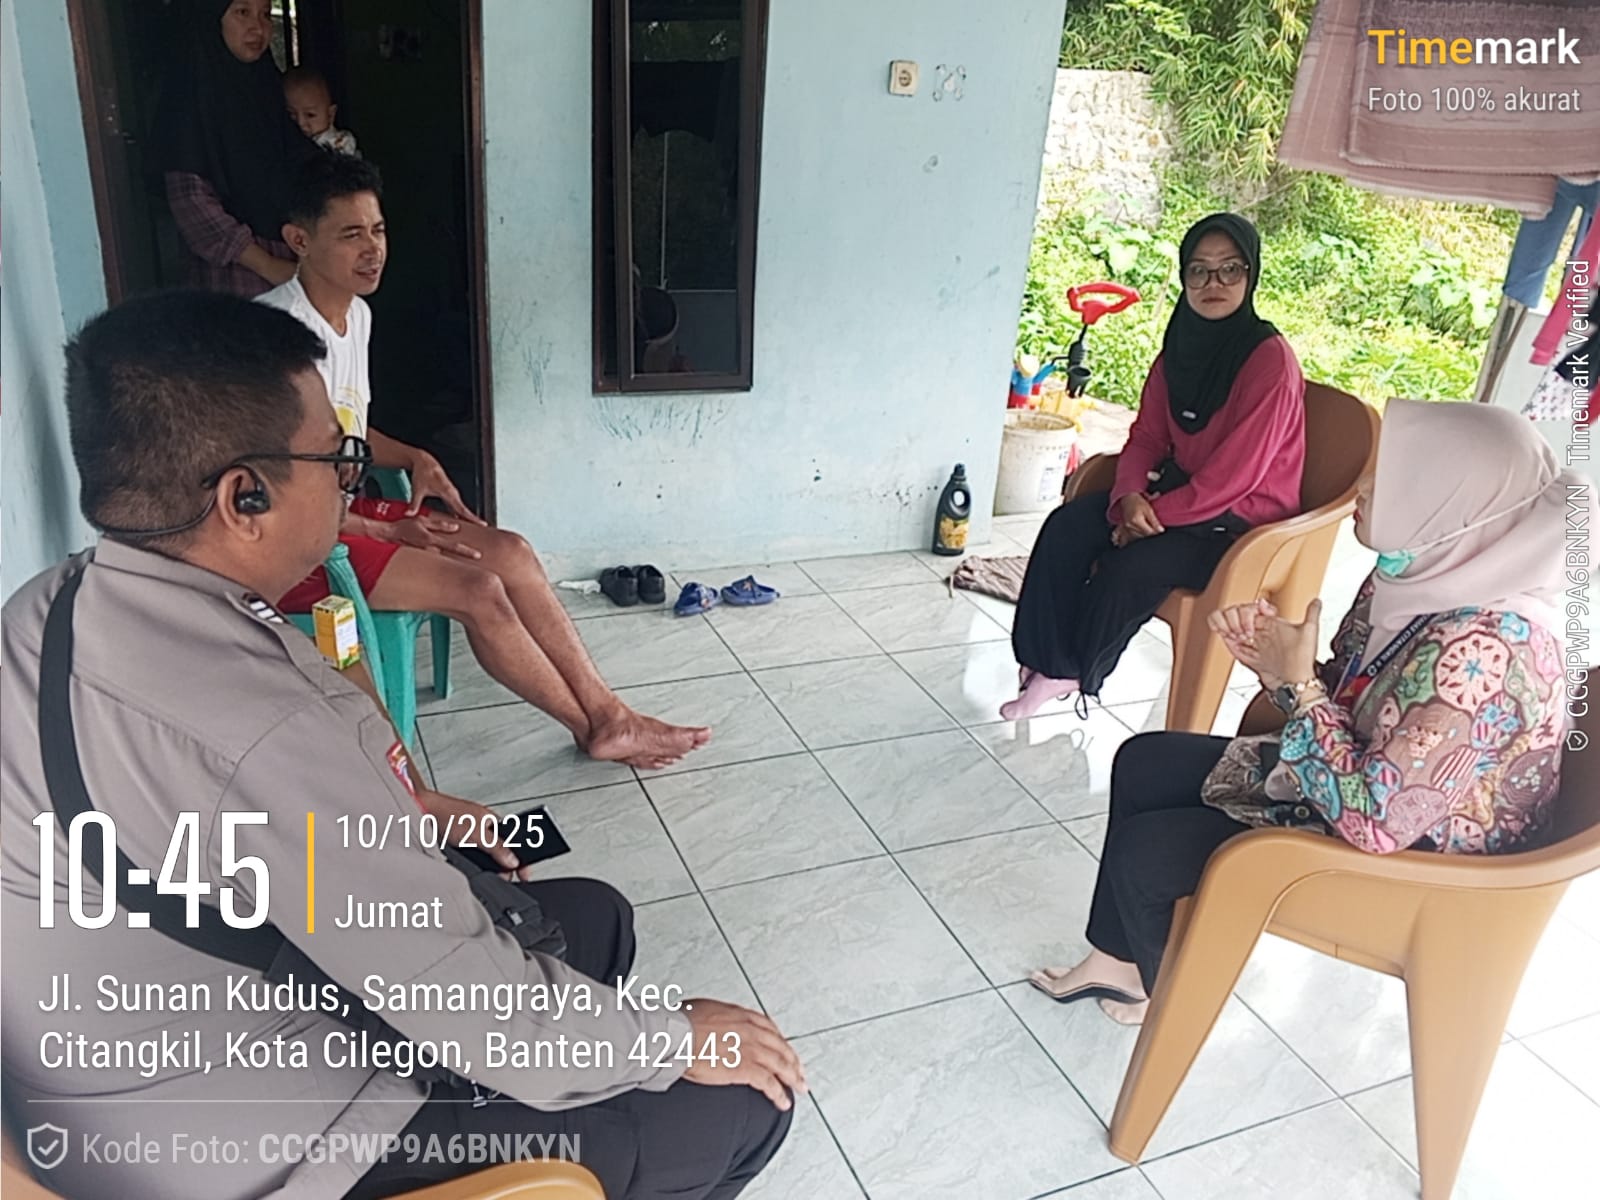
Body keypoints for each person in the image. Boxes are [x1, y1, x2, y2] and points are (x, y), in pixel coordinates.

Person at [0, 291, 798, 1200]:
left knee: (595, 918)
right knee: (744, 1103)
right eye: (338, 459)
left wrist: (397, 815)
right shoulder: (273, 722)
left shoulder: (44, 611)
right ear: (245, 497)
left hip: (111, 1080)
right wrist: (677, 1040)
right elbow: (477, 1013)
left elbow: (202, 820)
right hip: (266, 1141)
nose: (351, 484)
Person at [1028, 398, 1594, 1025]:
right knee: (1145, 760)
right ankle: (1122, 964)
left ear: (1454, 504)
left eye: (1397, 475)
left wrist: (1297, 686)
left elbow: (1377, 822)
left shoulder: (1488, 651)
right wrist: (1279, 667)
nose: (1365, 486)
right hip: (1360, 786)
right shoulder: (1415, 579)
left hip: (1422, 863)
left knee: (1149, 853)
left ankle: (1174, 1004)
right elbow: (1348, 698)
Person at [259, 151, 710, 770]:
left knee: (512, 553)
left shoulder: (354, 315)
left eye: (379, 230)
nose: (373, 250)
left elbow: (346, 430)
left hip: (346, 514)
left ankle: (609, 715)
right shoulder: (276, 339)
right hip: (301, 546)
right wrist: (384, 529)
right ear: (299, 240)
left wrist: (415, 457)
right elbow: (278, 490)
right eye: (350, 234)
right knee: (479, 591)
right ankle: (599, 727)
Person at [1002, 213, 1306, 720]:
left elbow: (1236, 479)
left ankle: (1076, 672)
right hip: (1180, 499)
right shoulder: (1177, 353)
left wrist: (1148, 518)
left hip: (1241, 523)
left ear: (1250, 275)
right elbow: (1147, 436)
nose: (1213, 283)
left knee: (1131, 566)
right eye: (1199, 270)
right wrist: (1127, 497)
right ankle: (1043, 661)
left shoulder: (1269, 361)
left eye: (1230, 269)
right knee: (1067, 526)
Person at [161, 0, 315, 295]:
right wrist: (268, 265)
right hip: (236, 274)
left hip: (292, 260)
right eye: (243, 12)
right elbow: (190, 200)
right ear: (214, 19)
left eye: (265, 14)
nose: (258, 27)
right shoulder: (190, 99)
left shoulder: (269, 89)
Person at [284, 66, 360, 157]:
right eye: (291, 114)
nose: (300, 122)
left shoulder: (341, 143)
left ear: (330, 115)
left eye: (310, 115)